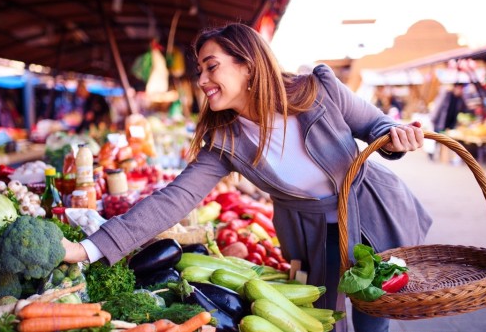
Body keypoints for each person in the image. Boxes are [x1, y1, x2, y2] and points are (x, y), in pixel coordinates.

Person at [62, 23, 432, 332]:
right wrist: (88, 249)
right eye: (200, 70)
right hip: (314, 233)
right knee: (325, 321)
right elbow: (171, 201)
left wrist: (398, 136)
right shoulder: (225, 143)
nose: (202, 79)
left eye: (211, 66)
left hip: (371, 212)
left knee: (375, 312)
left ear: (248, 65)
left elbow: (376, 124)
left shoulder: (318, 90)